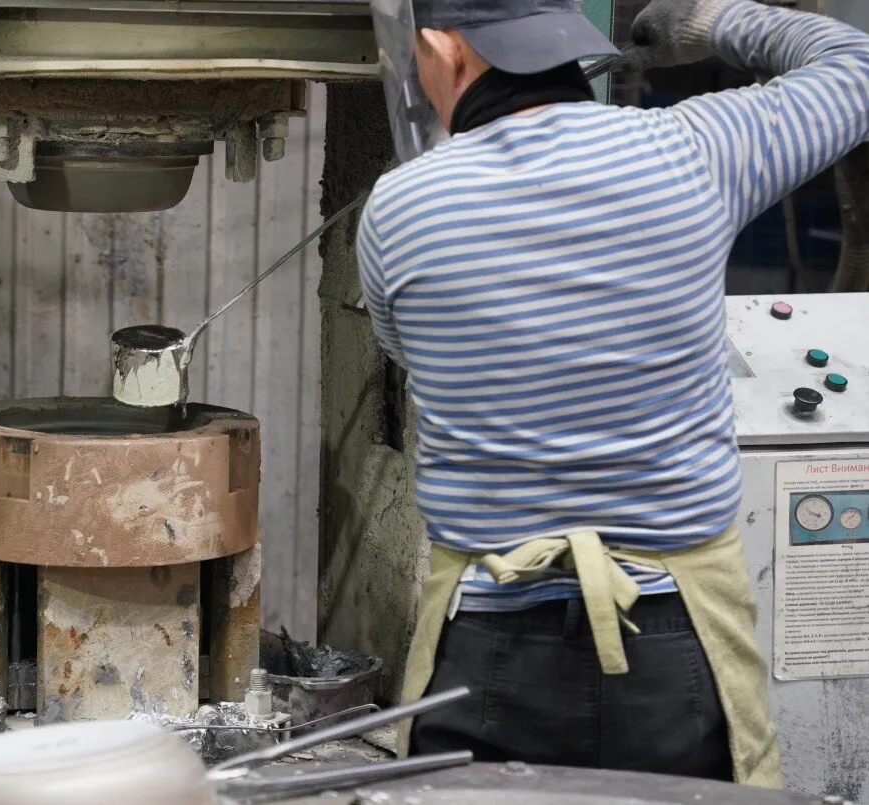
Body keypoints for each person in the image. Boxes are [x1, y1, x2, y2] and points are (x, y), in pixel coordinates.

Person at [356, 0, 869, 787]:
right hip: (679, 640)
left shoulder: (401, 206)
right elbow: (857, 66)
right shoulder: (697, 149)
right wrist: (711, 20)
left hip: (488, 640)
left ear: (442, 49)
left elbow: (411, 354)